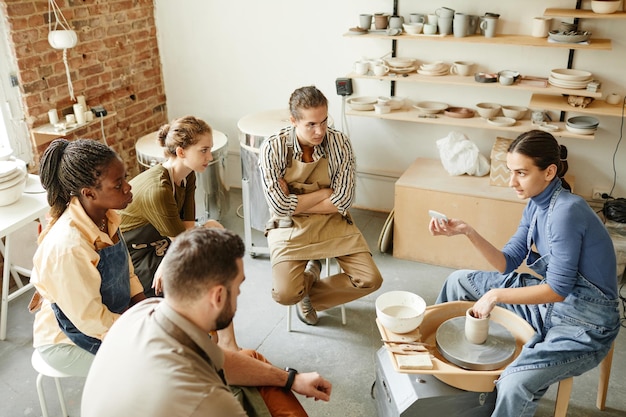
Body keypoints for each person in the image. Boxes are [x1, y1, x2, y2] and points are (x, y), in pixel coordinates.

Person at [429, 130, 620, 417]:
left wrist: (495, 295)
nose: (512, 182)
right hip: (547, 306)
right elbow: (507, 262)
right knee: (458, 282)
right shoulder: (535, 203)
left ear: (549, 171)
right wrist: (468, 232)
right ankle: (448, 387)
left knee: (515, 383)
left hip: (585, 324)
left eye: (521, 172)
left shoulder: (566, 212)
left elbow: (557, 289)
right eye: (511, 171)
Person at [82, 227, 332, 417]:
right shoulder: (208, 400)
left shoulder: (144, 312)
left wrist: (291, 379)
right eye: (238, 286)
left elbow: (221, 358)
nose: (241, 294)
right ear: (219, 296)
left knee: (251, 358)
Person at [258, 86, 383, 326]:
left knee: (370, 279)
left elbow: (344, 201)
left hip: (332, 222)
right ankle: (306, 281)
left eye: (324, 121)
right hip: (289, 226)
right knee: (284, 294)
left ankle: (310, 296)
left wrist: (297, 201)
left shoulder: (340, 143)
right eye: (311, 125)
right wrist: (325, 193)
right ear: (293, 121)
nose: (320, 131)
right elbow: (280, 208)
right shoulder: (273, 147)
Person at [119, 115, 239, 351]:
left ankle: (222, 342)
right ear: (182, 152)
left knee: (212, 256)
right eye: (204, 150)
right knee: (206, 268)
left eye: (210, 150)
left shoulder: (188, 175)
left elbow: (187, 228)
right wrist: (209, 229)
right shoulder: (159, 189)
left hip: (162, 246)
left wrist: (167, 261)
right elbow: (185, 242)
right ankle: (215, 343)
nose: (210, 157)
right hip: (134, 259)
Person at [30, 138, 146, 377]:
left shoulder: (106, 216)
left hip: (110, 316)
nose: (128, 187)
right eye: (118, 184)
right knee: (147, 368)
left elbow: (128, 272)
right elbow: (92, 321)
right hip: (69, 340)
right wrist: (142, 329)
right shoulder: (68, 247)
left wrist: (144, 307)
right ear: (89, 193)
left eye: (125, 177)